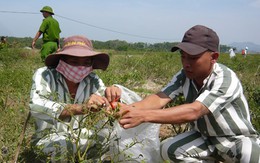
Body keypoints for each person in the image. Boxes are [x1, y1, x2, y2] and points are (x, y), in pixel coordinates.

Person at [119, 25, 260, 162]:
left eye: (193, 58)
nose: (186, 63)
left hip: (234, 139)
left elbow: (195, 110)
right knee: (169, 149)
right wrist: (127, 109)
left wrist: (144, 116)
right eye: (183, 56)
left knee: (250, 155)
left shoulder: (224, 78)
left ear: (214, 57)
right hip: (204, 138)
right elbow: (159, 98)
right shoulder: (183, 76)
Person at [29, 35, 123, 161]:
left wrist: (111, 97)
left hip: (81, 135)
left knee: (112, 138)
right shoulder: (45, 75)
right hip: (49, 137)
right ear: (61, 60)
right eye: (74, 61)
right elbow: (37, 106)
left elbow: (103, 100)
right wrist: (81, 108)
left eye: (86, 62)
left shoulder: (92, 79)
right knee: (64, 145)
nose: (80, 67)